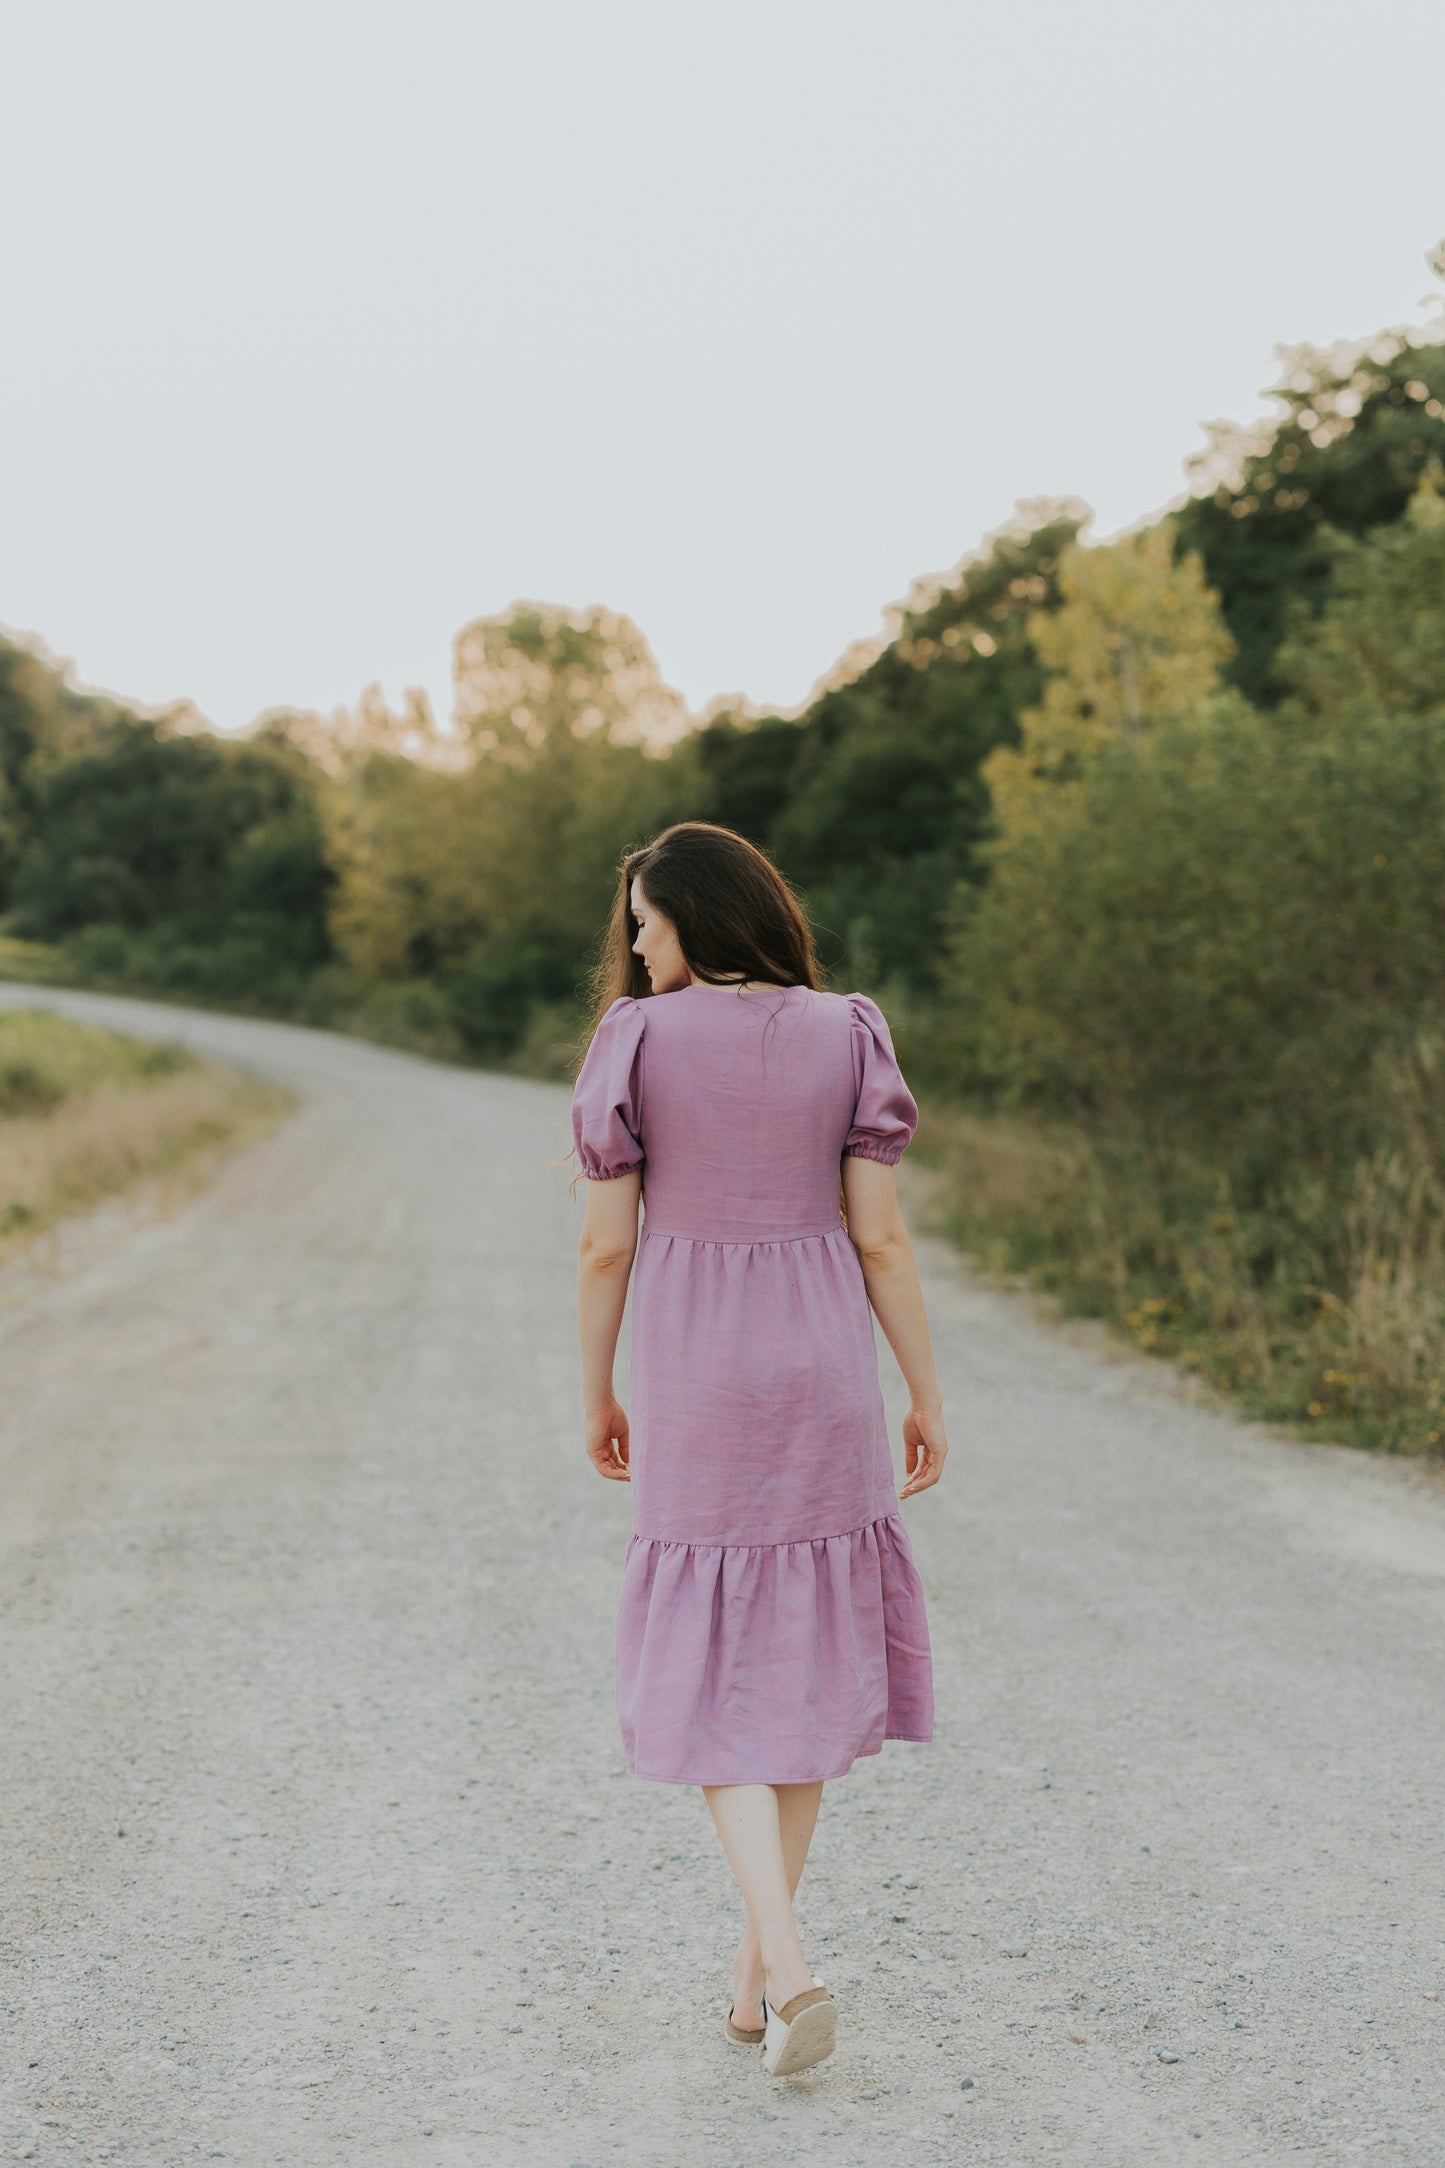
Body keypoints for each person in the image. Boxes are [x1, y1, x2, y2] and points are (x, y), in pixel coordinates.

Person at [571, 821, 947, 2079]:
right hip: (823, 1362)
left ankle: (787, 1965)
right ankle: (750, 1986)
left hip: (698, 1368)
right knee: (790, 1663)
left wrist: (595, 1390)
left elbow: (603, 1247)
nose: (632, 940)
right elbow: (882, 1240)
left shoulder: (635, 1039)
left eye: (644, 918)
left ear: (695, 915)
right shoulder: (849, 1030)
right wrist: (922, 1390)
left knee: (704, 1673)